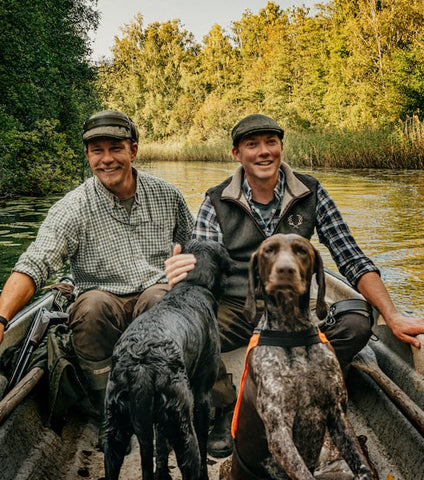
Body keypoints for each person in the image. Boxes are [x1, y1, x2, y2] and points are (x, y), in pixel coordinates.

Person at [165, 113, 424, 458]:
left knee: (357, 323)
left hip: (300, 312)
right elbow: (206, 268)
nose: (263, 152)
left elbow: (351, 258)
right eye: (252, 145)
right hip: (239, 306)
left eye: (271, 142)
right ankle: (228, 406)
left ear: (281, 147)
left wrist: (391, 315)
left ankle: (313, 387)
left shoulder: (311, 191)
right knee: (182, 336)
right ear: (237, 154)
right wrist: (186, 271)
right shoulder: (216, 201)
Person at [0, 109, 194, 405]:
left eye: (116, 148)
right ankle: (107, 406)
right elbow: (35, 263)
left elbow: (194, 246)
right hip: (103, 302)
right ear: (87, 155)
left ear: (133, 151)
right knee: (91, 306)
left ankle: (168, 397)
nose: (107, 159)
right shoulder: (73, 207)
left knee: (162, 300)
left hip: (154, 292)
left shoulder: (167, 195)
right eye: (97, 151)